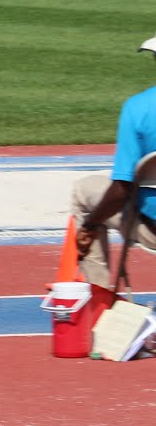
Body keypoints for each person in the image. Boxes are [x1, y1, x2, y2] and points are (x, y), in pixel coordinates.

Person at [71, 34, 156, 291]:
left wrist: (91, 224)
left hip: (151, 229)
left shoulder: (139, 108)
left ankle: (98, 298)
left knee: (84, 192)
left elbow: (121, 188)